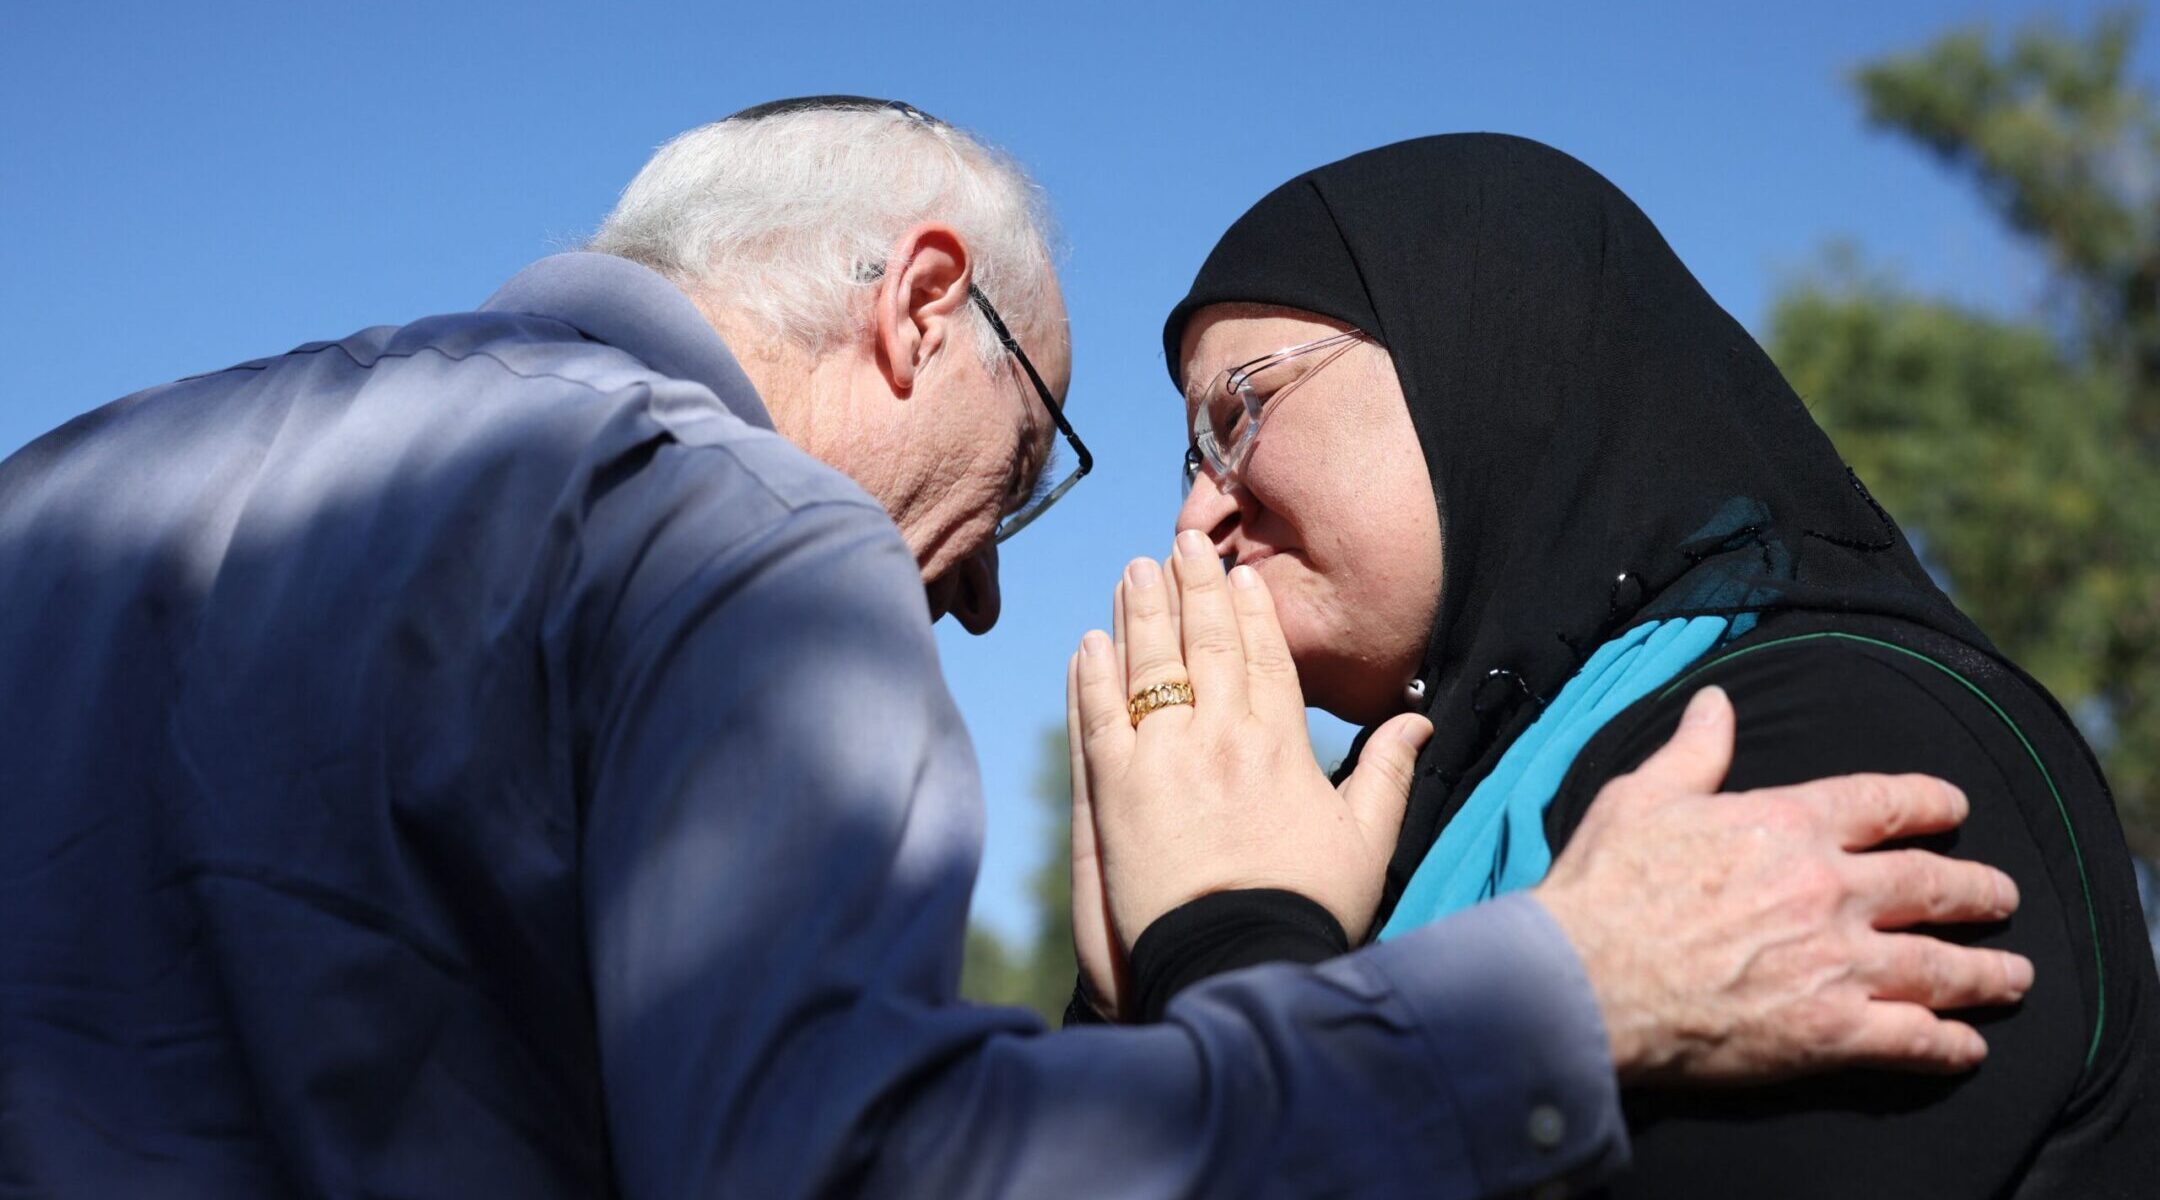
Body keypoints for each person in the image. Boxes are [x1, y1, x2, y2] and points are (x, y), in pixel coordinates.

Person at [0, 100, 2026, 1198]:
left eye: (1238, 413)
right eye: (1064, 459)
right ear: (918, 310)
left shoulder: (64, 489)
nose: (975, 598)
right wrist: (1542, 1002)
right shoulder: (730, 528)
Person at [1067, 133, 2160, 1196]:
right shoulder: (1379, 833)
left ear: (1488, 355)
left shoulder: (1837, 734)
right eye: (1189, 458)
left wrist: (1227, 938)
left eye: (1238, 414)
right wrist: (1129, 1019)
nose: (1195, 516)